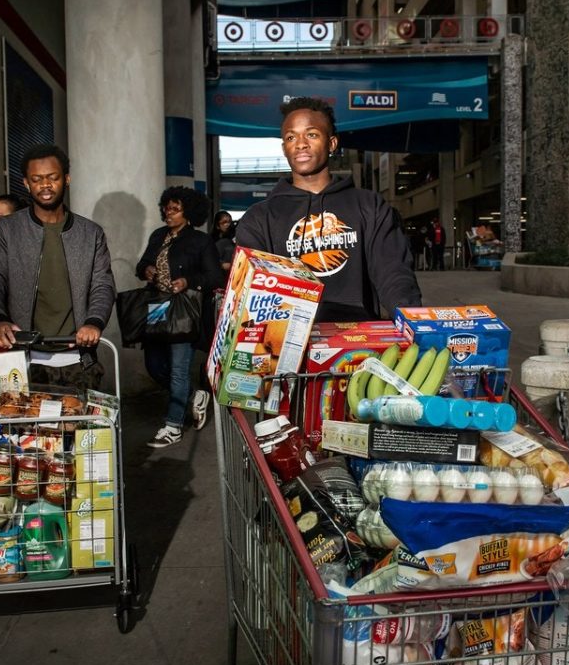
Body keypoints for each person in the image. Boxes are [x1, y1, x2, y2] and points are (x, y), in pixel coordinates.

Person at [234, 96, 421, 321]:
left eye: (311, 134)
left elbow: (393, 272)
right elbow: (254, 293)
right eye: (291, 137)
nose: (301, 143)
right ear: (284, 148)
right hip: (289, 347)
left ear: (332, 143)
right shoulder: (258, 218)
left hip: (357, 342)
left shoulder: (369, 205)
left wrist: (410, 321)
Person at [0, 144, 116, 391]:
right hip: (23, 359)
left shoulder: (90, 233)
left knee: (79, 428)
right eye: (37, 179)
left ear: (67, 179)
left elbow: (102, 284)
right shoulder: (8, 230)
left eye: (53, 177)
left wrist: (94, 321)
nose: (45, 185)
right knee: (27, 429)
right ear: (27, 184)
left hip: (77, 357)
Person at [135, 187, 225, 448]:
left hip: (184, 309)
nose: (168, 213)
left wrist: (189, 281)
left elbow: (215, 278)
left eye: (175, 209)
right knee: (153, 364)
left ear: (189, 213)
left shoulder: (200, 241)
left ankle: (172, 426)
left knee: (178, 368)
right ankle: (194, 395)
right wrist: (147, 270)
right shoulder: (158, 235)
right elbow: (141, 265)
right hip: (157, 306)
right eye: (166, 208)